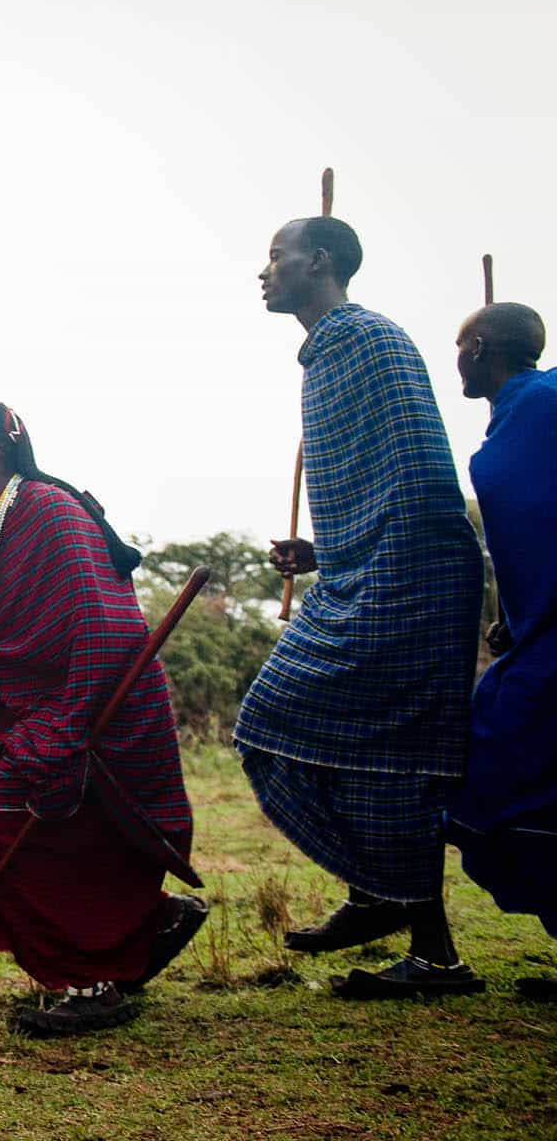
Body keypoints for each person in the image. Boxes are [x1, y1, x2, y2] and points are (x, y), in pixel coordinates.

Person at [237, 216, 485, 999]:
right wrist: (325, 550)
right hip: (365, 571)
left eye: (277, 254)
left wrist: (366, 564)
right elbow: (380, 479)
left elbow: (420, 480)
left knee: (332, 741)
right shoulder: (325, 358)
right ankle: (406, 919)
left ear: (322, 260)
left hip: (407, 579)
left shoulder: (371, 342)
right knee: (366, 757)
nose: (264, 269)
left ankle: (407, 920)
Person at [0, 400, 203, 1035]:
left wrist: (65, 730)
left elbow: (106, 624)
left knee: (0, 833)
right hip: (61, 722)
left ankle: (92, 982)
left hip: (99, 717)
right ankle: (154, 926)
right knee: (75, 847)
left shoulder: (48, 511)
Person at [446, 302, 556, 1002]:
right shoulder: (524, 416)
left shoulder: (540, 410)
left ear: (480, 346)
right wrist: (515, 620)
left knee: (497, 772)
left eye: (461, 346)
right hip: (537, 635)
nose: (458, 358)